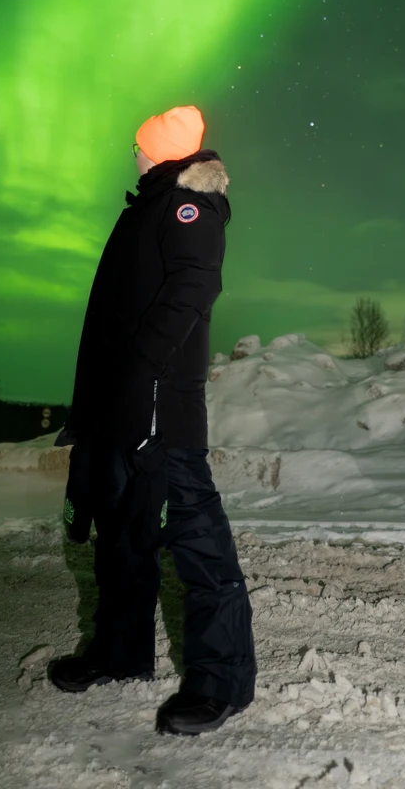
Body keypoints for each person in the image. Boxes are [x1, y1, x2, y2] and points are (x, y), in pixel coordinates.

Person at [49, 105, 257, 735]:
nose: (132, 156)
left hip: (161, 409)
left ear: (158, 152)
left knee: (196, 539)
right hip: (120, 405)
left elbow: (195, 286)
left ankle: (221, 682)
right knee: (121, 535)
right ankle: (120, 653)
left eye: (138, 147)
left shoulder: (189, 204)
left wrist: (141, 365)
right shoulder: (149, 205)